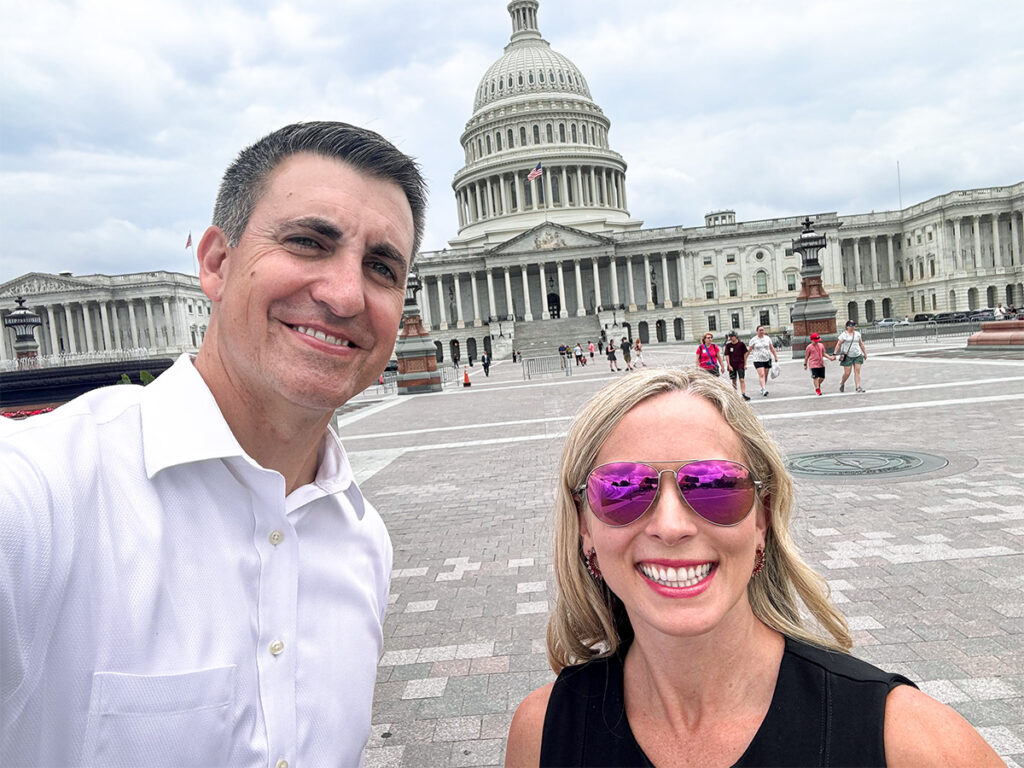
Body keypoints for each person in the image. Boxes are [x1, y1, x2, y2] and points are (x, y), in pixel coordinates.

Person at [0, 121, 427, 767]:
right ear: (216, 263)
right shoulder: (40, 494)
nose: (344, 294)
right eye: (308, 242)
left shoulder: (362, 543)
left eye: (381, 267)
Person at [505, 368, 1002, 768]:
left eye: (714, 484)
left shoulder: (911, 742)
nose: (672, 525)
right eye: (623, 489)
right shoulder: (541, 734)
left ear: (763, 518)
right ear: (584, 528)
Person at [835, 320, 868, 393]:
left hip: (857, 355)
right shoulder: (844, 335)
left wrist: (864, 353)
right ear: (847, 327)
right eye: (851, 325)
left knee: (857, 371)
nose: (853, 327)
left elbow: (861, 344)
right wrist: (834, 353)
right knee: (847, 373)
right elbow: (838, 344)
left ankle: (858, 387)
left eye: (853, 325)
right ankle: (842, 383)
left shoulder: (857, 334)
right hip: (848, 356)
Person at [746, 325, 778, 397]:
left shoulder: (767, 338)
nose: (761, 332)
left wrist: (775, 356)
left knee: (765, 375)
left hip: (767, 358)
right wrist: (744, 360)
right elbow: (749, 350)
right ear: (757, 331)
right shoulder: (753, 340)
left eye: (762, 330)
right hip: (757, 359)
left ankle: (763, 387)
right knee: (762, 374)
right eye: (760, 330)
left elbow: (771, 348)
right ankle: (764, 389)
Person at [724, 330, 750, 400]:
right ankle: (734, 394)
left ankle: (743, 393)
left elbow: (745, 354)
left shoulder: (741, 344)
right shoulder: (728, 345)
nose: (731, 338)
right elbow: (727, 355)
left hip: (740, 363)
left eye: (732, 336)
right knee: (733, 380)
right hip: (732, 364)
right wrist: (728, 365)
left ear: (736, 336)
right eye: (730, 336)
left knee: (742, 379)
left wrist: (745, 364)